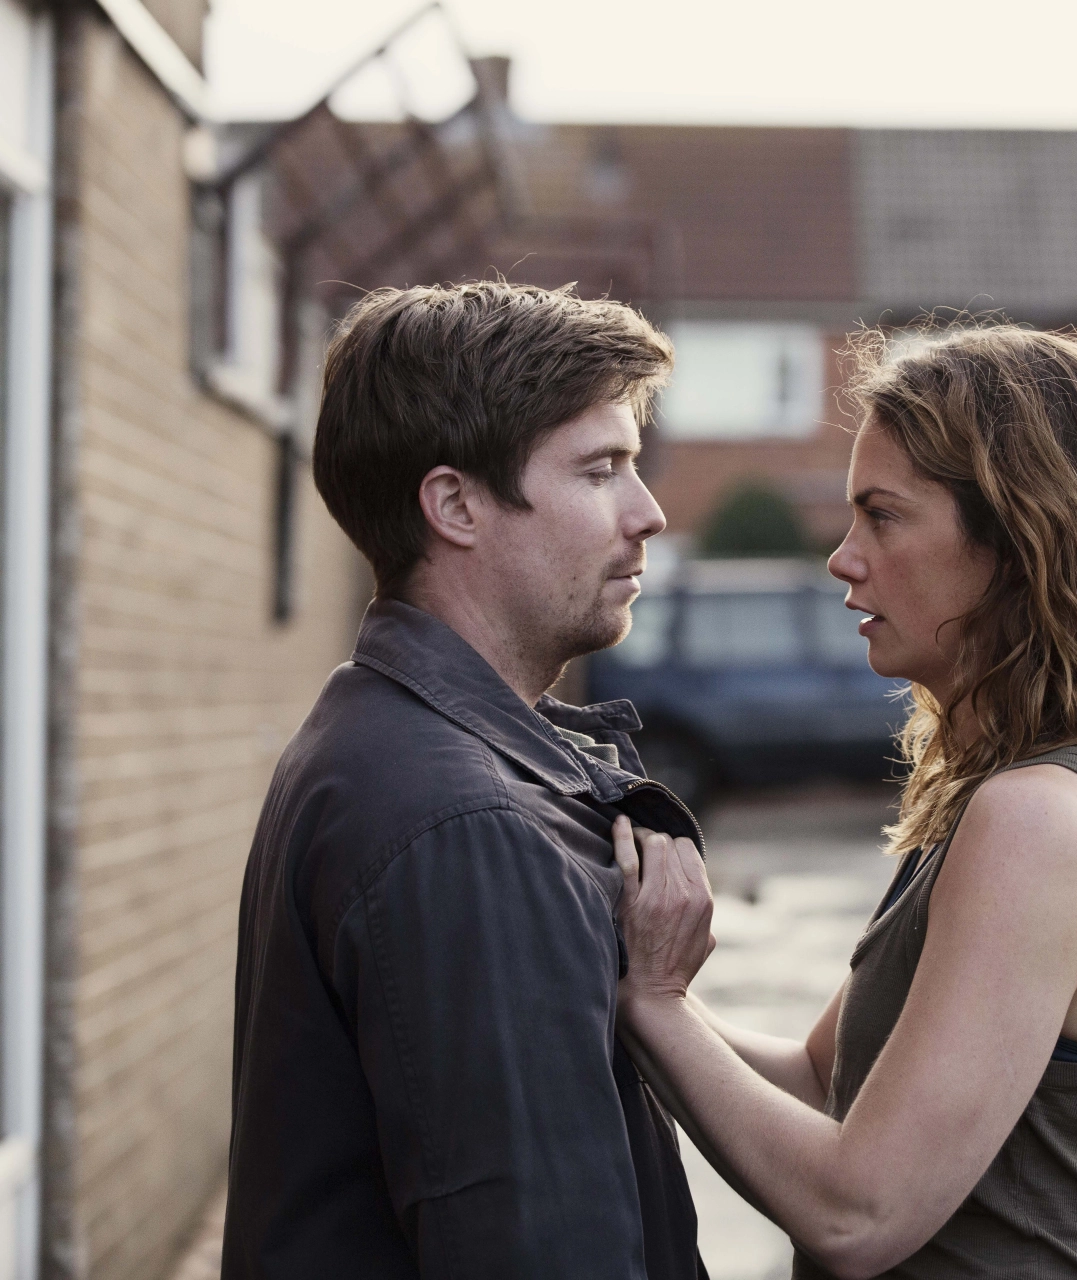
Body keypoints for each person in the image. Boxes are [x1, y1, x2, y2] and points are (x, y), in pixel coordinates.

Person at [614, 325, 1077, 1279]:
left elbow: (861, 1214)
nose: (842, 557)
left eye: (883, 515)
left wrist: (657, 1007)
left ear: (1019, 537)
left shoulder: (1043, 819)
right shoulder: (1007, 794)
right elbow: (827, 1081)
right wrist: (618, 980)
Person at [223, 281, 707, 1279]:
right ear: (454, 503)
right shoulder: (466, 823)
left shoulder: (376, 735)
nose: (648, 512)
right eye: (601, 469)